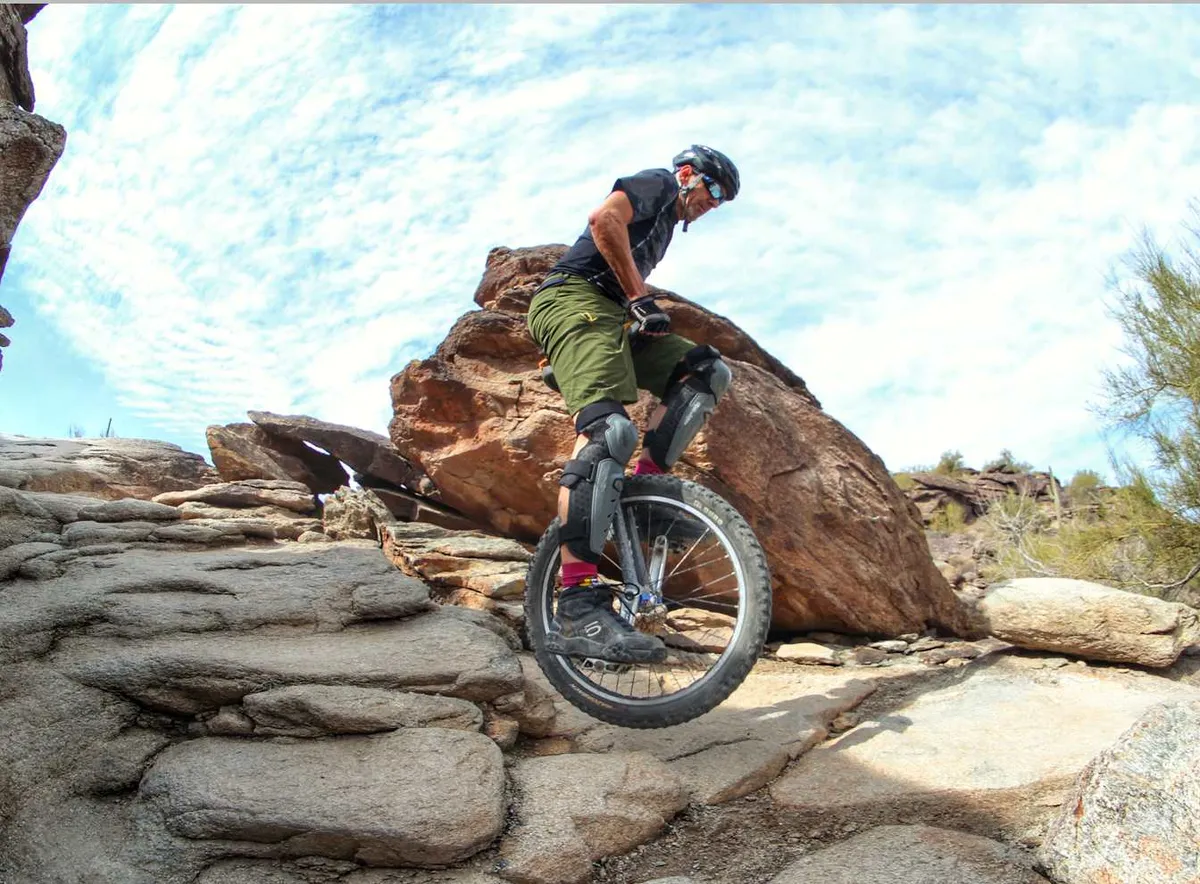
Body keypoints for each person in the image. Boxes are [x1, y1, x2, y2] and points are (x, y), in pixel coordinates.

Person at [526, 145, 740, 664]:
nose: (713, 203)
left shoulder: (667, 225)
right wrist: (640, 297)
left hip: (612, 320)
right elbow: (604, 220)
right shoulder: (659, 184)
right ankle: (576, 603)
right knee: (610, 434)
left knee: (707, 370)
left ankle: (645, 491)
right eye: (712, 189)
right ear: (687, 174)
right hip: (572, 301)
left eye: (723, 201)